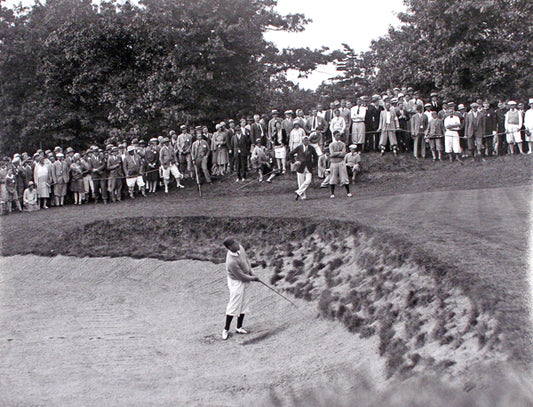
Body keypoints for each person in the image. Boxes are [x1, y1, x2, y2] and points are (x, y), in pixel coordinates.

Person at [222, 237, 260, 340]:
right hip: (236, 282)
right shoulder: (231, 262)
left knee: (244, 303)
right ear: (230, 247)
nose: (238, 244)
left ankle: (239, 327)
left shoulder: (240, 248)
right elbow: (241, 277)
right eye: (235, 244)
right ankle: (226, 329)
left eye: (237, 242)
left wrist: (251, 272)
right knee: (234, 305)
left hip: (246, 278)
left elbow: (246, 260)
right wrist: (254, 278)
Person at [289, 134, 318, 200]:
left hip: (309, 166)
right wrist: (294, 162)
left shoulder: (311, 148)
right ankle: (302, 195)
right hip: (300, 167)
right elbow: (291, 154)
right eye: (304, 140)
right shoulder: (299, 147)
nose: (306, 141)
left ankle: (298, 192)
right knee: (301, 182)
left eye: (307, 140)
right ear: (302, 141)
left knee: (308, 180)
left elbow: (315, 157)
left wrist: (314, 165)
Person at [328, 131, 351, 198]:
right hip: (334, 163)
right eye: (337, 135)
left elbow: (344, 153)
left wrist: (337, 154)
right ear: (334, 136)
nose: (338, 137)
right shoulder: (331, 144)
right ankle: (332, 193)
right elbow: (331, 154)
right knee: (333, 178)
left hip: (341, 162)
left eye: (339, 135)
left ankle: (348, 192)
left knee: (344, 177)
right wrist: (339, 153)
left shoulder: (342, 144)